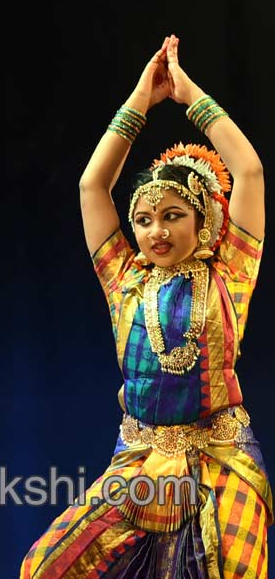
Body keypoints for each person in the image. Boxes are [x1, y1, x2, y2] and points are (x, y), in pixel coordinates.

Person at [21, 36, 271, 578]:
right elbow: (93, 185)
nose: (156, 231)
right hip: (137, 460)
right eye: (143, 219)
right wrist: (139, 102)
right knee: (47, 567)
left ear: (204, 221)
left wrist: (191, 99)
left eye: (173, 215)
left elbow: (248, 172)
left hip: (221, 459)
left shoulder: (230, 273)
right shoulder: (125, 278)